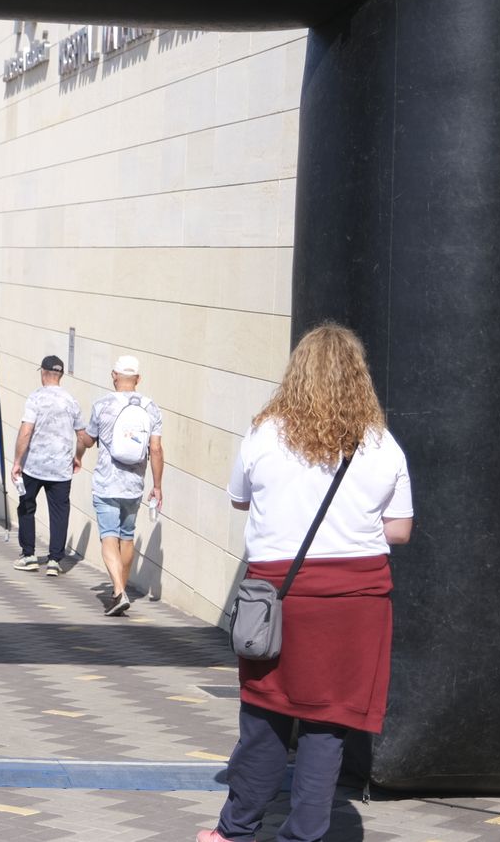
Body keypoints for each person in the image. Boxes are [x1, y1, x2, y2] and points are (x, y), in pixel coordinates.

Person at [196, 323, 412, 842]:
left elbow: (239, 499)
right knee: (326, 725)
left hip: (279, 597)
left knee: (265, 715)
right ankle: (304, 835)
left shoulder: (264, 434)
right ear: (359, 378)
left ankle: (236, 830)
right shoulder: (383, 445)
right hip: (355, 604)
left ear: (297, 374)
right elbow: (399, 531)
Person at [75, 354, 163, 616]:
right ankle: (121, 589)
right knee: (127, 536)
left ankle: (118, 591)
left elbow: (89, 440)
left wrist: (78, 453)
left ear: (114, 375)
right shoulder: (151, 407)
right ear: (138, 379)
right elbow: (156, 449)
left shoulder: (102, 404)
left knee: (108, 536)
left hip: (107, 482)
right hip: (134, 485)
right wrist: (157, 486)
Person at [10, 355, 87, 577]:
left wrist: (17, 462)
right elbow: (82, 436)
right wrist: (78, 456)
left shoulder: (35, 398)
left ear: (43, 373)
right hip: (61, 468)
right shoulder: (71, 401)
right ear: (60, 375)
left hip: (33, 465)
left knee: (26, 507)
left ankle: (29, 555)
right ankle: (54, 560)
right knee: (60, 512)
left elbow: (26, 430)